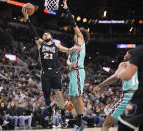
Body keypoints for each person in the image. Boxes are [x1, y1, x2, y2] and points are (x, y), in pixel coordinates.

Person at [22, 5, 81, 127]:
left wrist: (74, 49)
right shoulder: (40, 44)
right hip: (45, 72)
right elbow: (33, 31)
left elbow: (68, 50)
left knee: (59, 95)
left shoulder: (56, 46)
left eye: (47, 34)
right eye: (43, 35)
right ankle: (49, 113)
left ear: (51, 37)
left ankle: (63, 118)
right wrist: (27, 19)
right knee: (46, 94)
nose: (44, 35)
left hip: (55, 72)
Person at [93, 50, 138, 131]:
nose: (124, 55)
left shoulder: (124, 64)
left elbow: (115, 77)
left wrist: (100, 85)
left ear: (130, 56)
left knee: (106, 124)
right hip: (141, 97)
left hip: (128, 96)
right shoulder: (142, 65)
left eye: (126, 53)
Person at [63, 0, 90, 130]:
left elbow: (73, 24)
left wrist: (67, 10)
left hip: (78, 71)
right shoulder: (73, 48)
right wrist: (69, 62)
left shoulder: (81, 41)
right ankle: (78, 120)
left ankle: (80, 122)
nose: (74, 35)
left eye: (76, 34)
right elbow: (67, 60)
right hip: (72, 72)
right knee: (72, 97)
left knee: (78, 97)